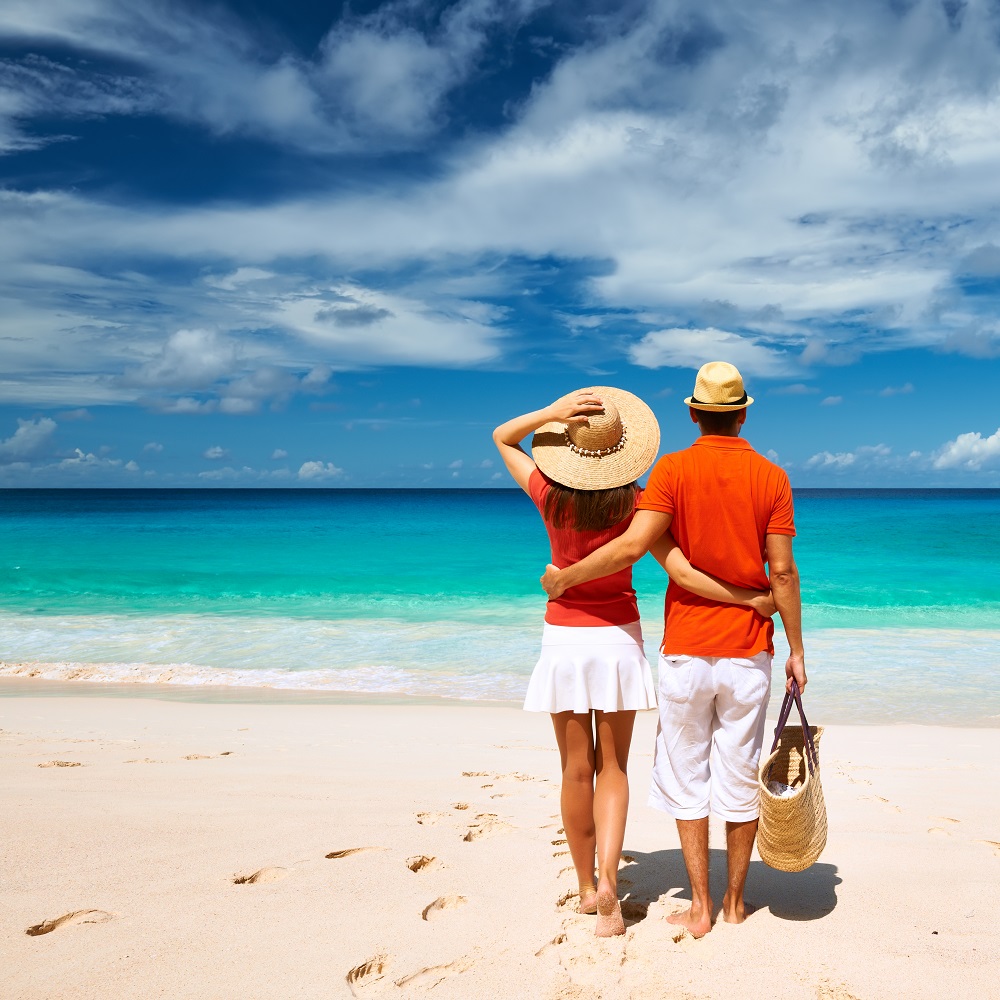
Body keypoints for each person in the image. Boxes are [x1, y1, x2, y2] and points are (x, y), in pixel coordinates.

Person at [493, 386, 775, 937]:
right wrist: (749, 600)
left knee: (576, 768)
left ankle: (584, 887)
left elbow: (502, 436)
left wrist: (551, 413)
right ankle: (607, 882)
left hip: (565, 641)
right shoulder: (638, 502)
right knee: (613, 767)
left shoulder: (546, 492)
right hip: (619, 639)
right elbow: (682, 570)